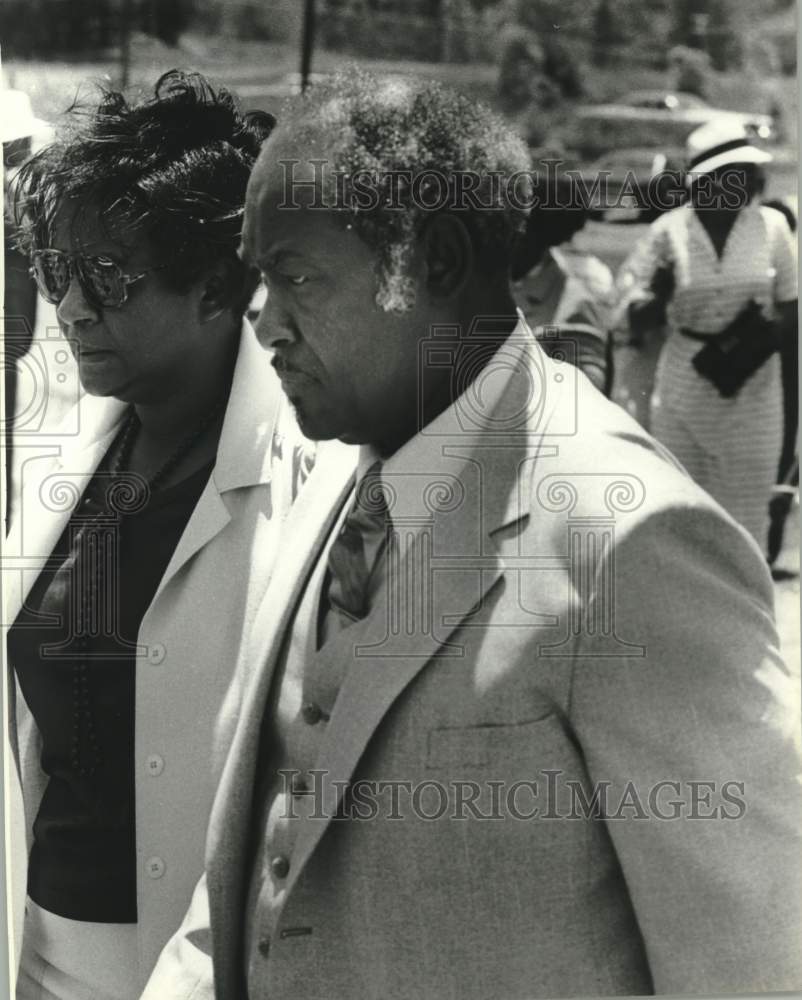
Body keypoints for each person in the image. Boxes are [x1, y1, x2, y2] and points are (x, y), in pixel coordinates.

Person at [144, 71, 801, 1000]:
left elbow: (751, 966)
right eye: (257, 278)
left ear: (436, 261)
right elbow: (246, 897)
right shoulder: (337, 467)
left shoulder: (634, 545)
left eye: (294, 275)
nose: (264, 320)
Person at [4, 70, 310, 1000]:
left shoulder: (309, 481)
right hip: (30, 947)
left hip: (193, 971)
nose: (71, 307)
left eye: (107, 275)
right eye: (58, 271)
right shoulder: (62, 445)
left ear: (218, 287)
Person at [621, 118, 798, 549]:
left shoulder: (771, 228)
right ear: (703, 181)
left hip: (755, 399)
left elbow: (792, 334)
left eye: (744, 173)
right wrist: (658, 296)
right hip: (684, 393)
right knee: (685, 532)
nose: (738, 183)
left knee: (745, 539)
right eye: (727, 175)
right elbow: (631, 321)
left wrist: (790, 442)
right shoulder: (669, 231)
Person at [511, 172, 615, 396]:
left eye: (514, 225)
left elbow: (585, 398)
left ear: (538, 233)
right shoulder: (491, 285)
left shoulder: (576, 304)